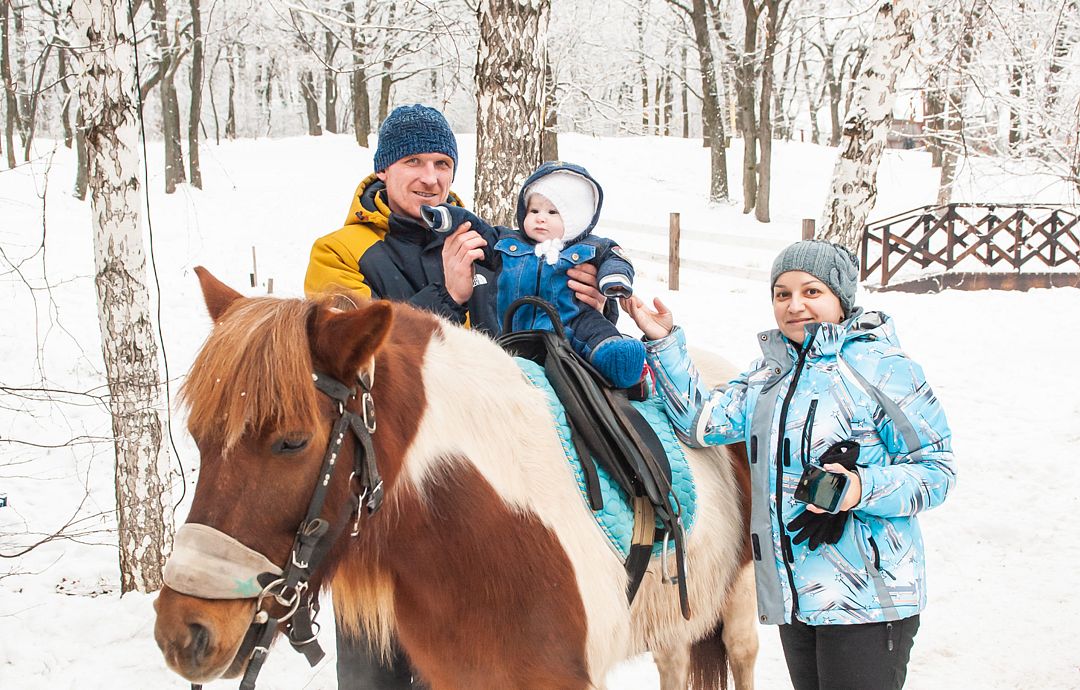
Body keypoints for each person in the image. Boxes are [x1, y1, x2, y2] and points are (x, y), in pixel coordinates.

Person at [303, 103, 609, 688]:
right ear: (383, 169)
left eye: (442, 163)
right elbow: (346, 360)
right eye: (413, 162)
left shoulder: (486, 243)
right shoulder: (338, 251)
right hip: (376, 500)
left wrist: (588, 306)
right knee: (374, 678)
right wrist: (445, 295)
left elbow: (524, 343)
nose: (430, 177)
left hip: (468, 501)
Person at [621, 240, 956, 690]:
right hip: (798, 602)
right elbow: (701, 422)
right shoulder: (769, 376)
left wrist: (859, 488)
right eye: (782, 294)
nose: (794, 305)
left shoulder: (884, 370)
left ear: (841, 298)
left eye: (811, 291)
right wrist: (663, 342)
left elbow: (936, 469)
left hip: (868, 604)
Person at [420, 161, 645, 388]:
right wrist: (446, 217)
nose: (540, 218)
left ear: (577, 219)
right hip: (510, 328)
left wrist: (613, 280)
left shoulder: (592, 247)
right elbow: (476, 228)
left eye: (552, 212)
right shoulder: (506, 241)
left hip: (571, 324)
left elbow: (615, 259)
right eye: (534, 210)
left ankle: (616, 359)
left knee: (595, 331)